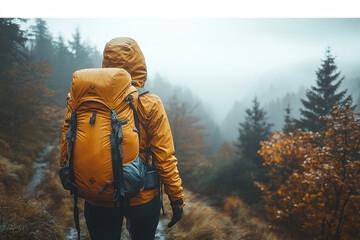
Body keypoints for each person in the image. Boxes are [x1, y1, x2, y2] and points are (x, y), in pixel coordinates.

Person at [60, 37, 184, 240]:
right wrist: (176, 198)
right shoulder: (150, 102)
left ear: (105, 64)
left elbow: (66, 145)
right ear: (139, 64)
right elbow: (165, 157)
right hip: (142, 197)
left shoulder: (79, 100)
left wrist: (72, 178)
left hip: (97, 195)